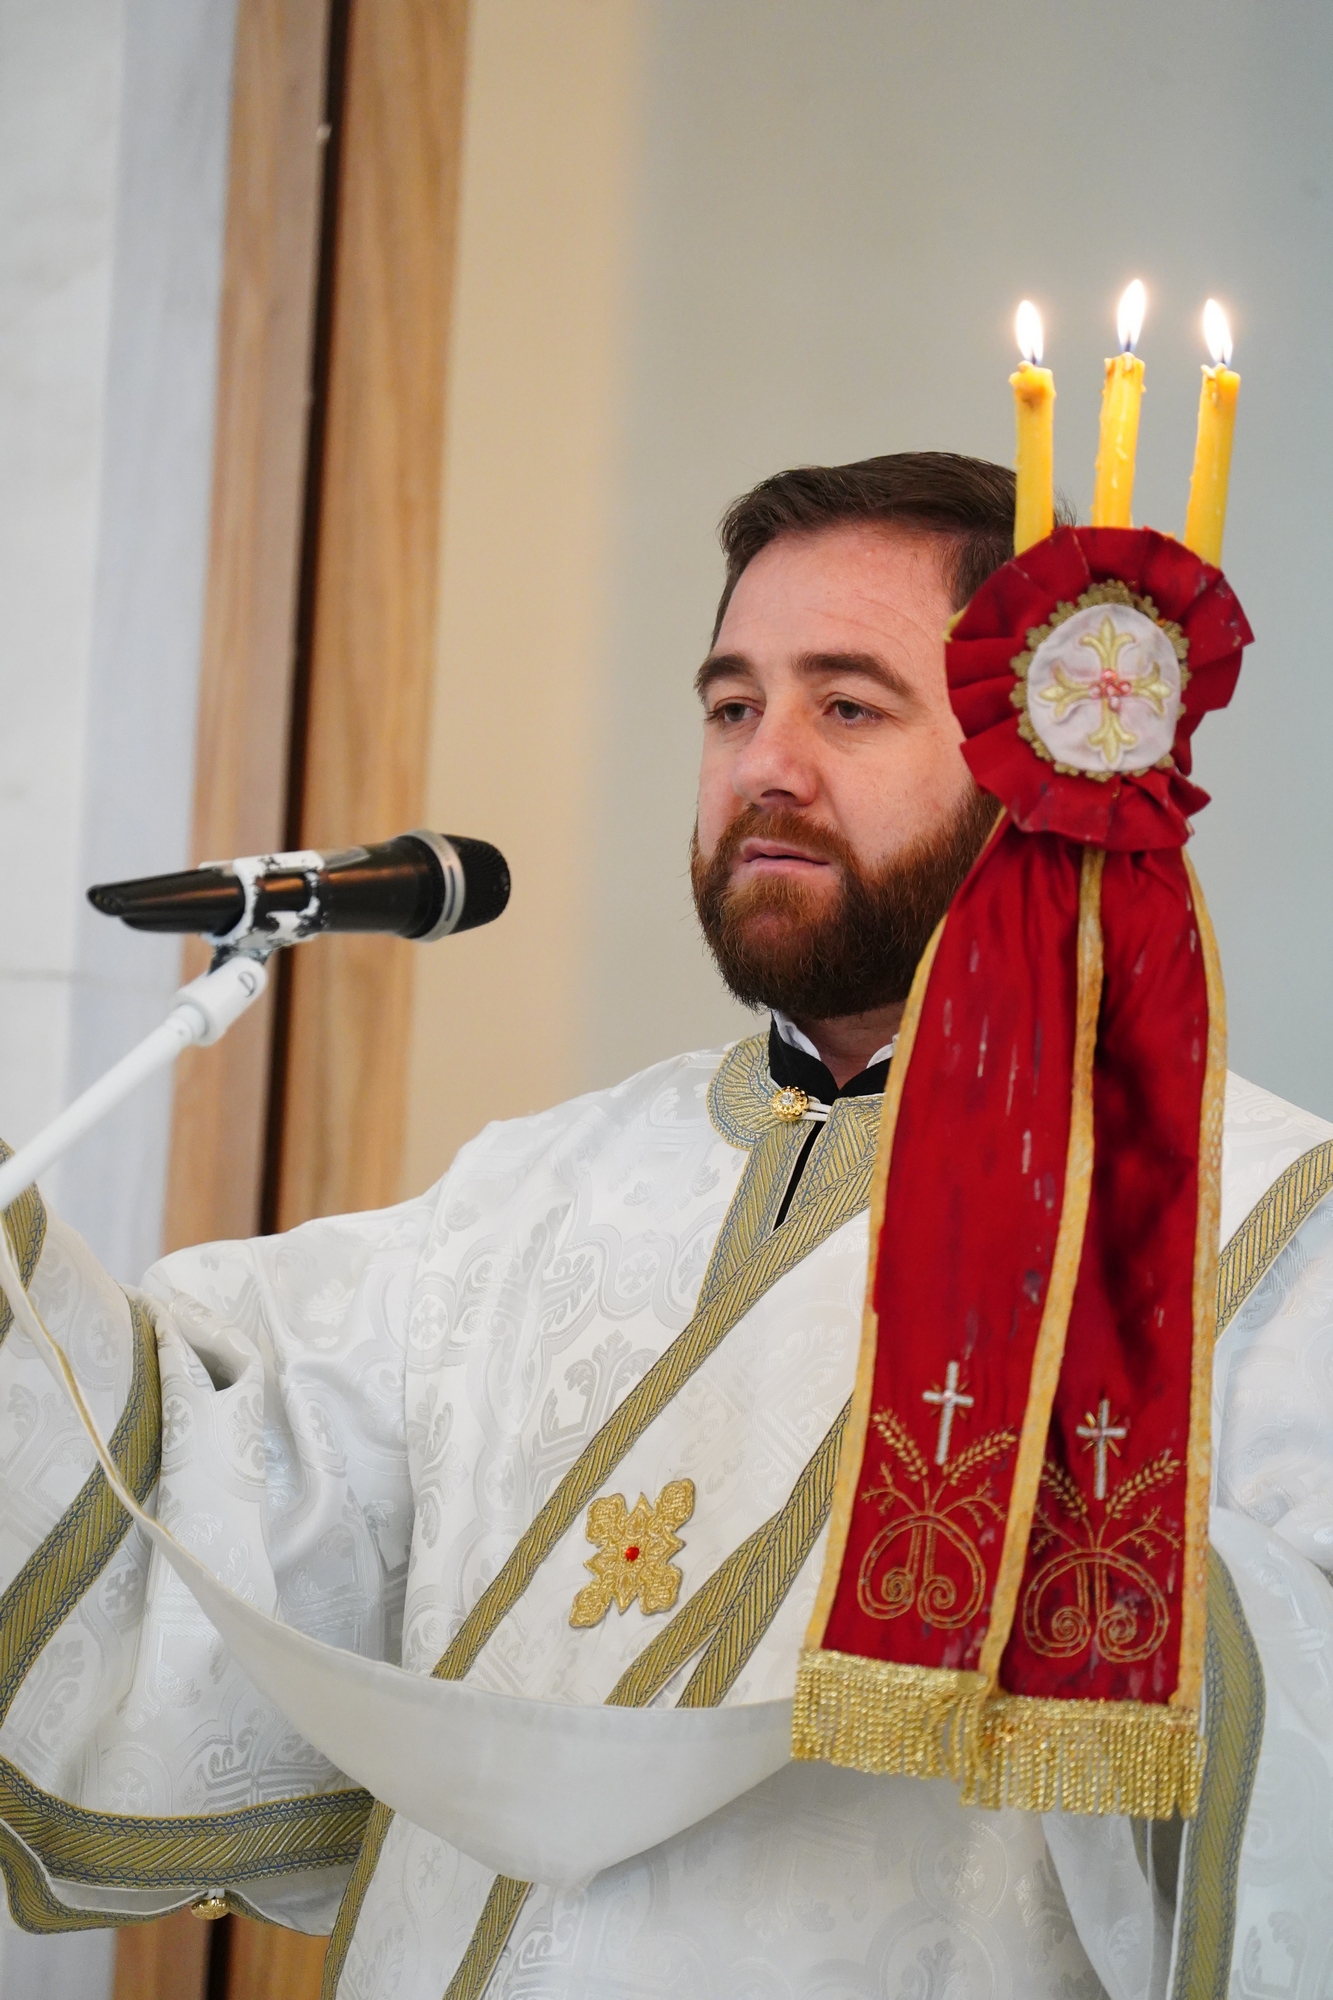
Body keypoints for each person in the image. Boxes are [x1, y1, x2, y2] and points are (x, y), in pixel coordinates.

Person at [1, 452, 1331, 2000]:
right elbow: (190, 1496)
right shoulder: (532, 1190)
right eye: (728, 706)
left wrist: (1086, 1571)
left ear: (1035, 754)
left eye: (845, 705)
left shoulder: (1247, 1215)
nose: (765, 763)